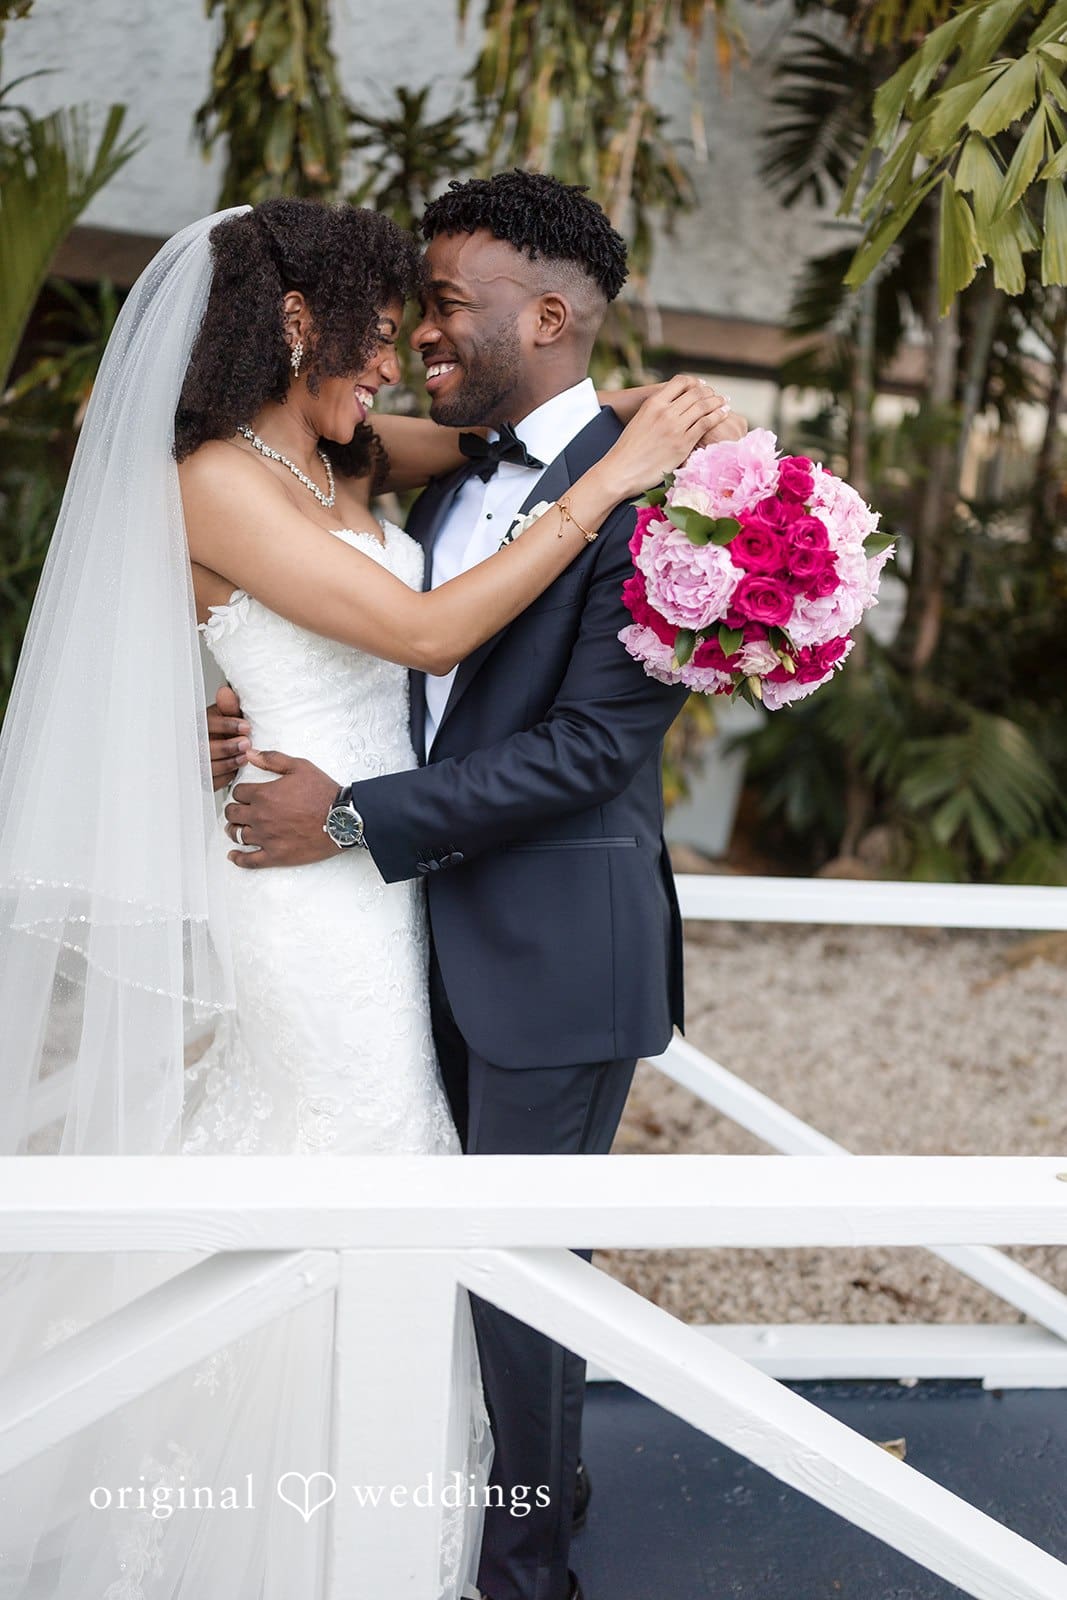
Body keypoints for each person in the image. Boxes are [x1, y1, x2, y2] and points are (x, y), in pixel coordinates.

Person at [0, 194, 733, 1600]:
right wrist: (609, 475)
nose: (397, 361)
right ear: (292, 322)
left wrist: (634, 421)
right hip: (307, 894)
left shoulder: (347, 453)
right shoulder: (215, 475)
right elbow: (424, 627)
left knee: (418, 1200)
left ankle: (406, 1516)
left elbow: (507, 438)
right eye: (380, 333)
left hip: (396, 897)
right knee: (350, 1167)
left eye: (420, 326)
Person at [209, 172, 748, 1600]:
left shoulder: (669, 506)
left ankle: (525, 1575)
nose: (416, 339)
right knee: (411, 1264)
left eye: (442, 305)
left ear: (552, 314)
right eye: (397, 315)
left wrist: (352, 820)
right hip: (392, 942)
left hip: (549, 951)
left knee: (519, 1295)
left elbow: (581, 753)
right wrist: (186, 685)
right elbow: (190, 490)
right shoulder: (407, 463)